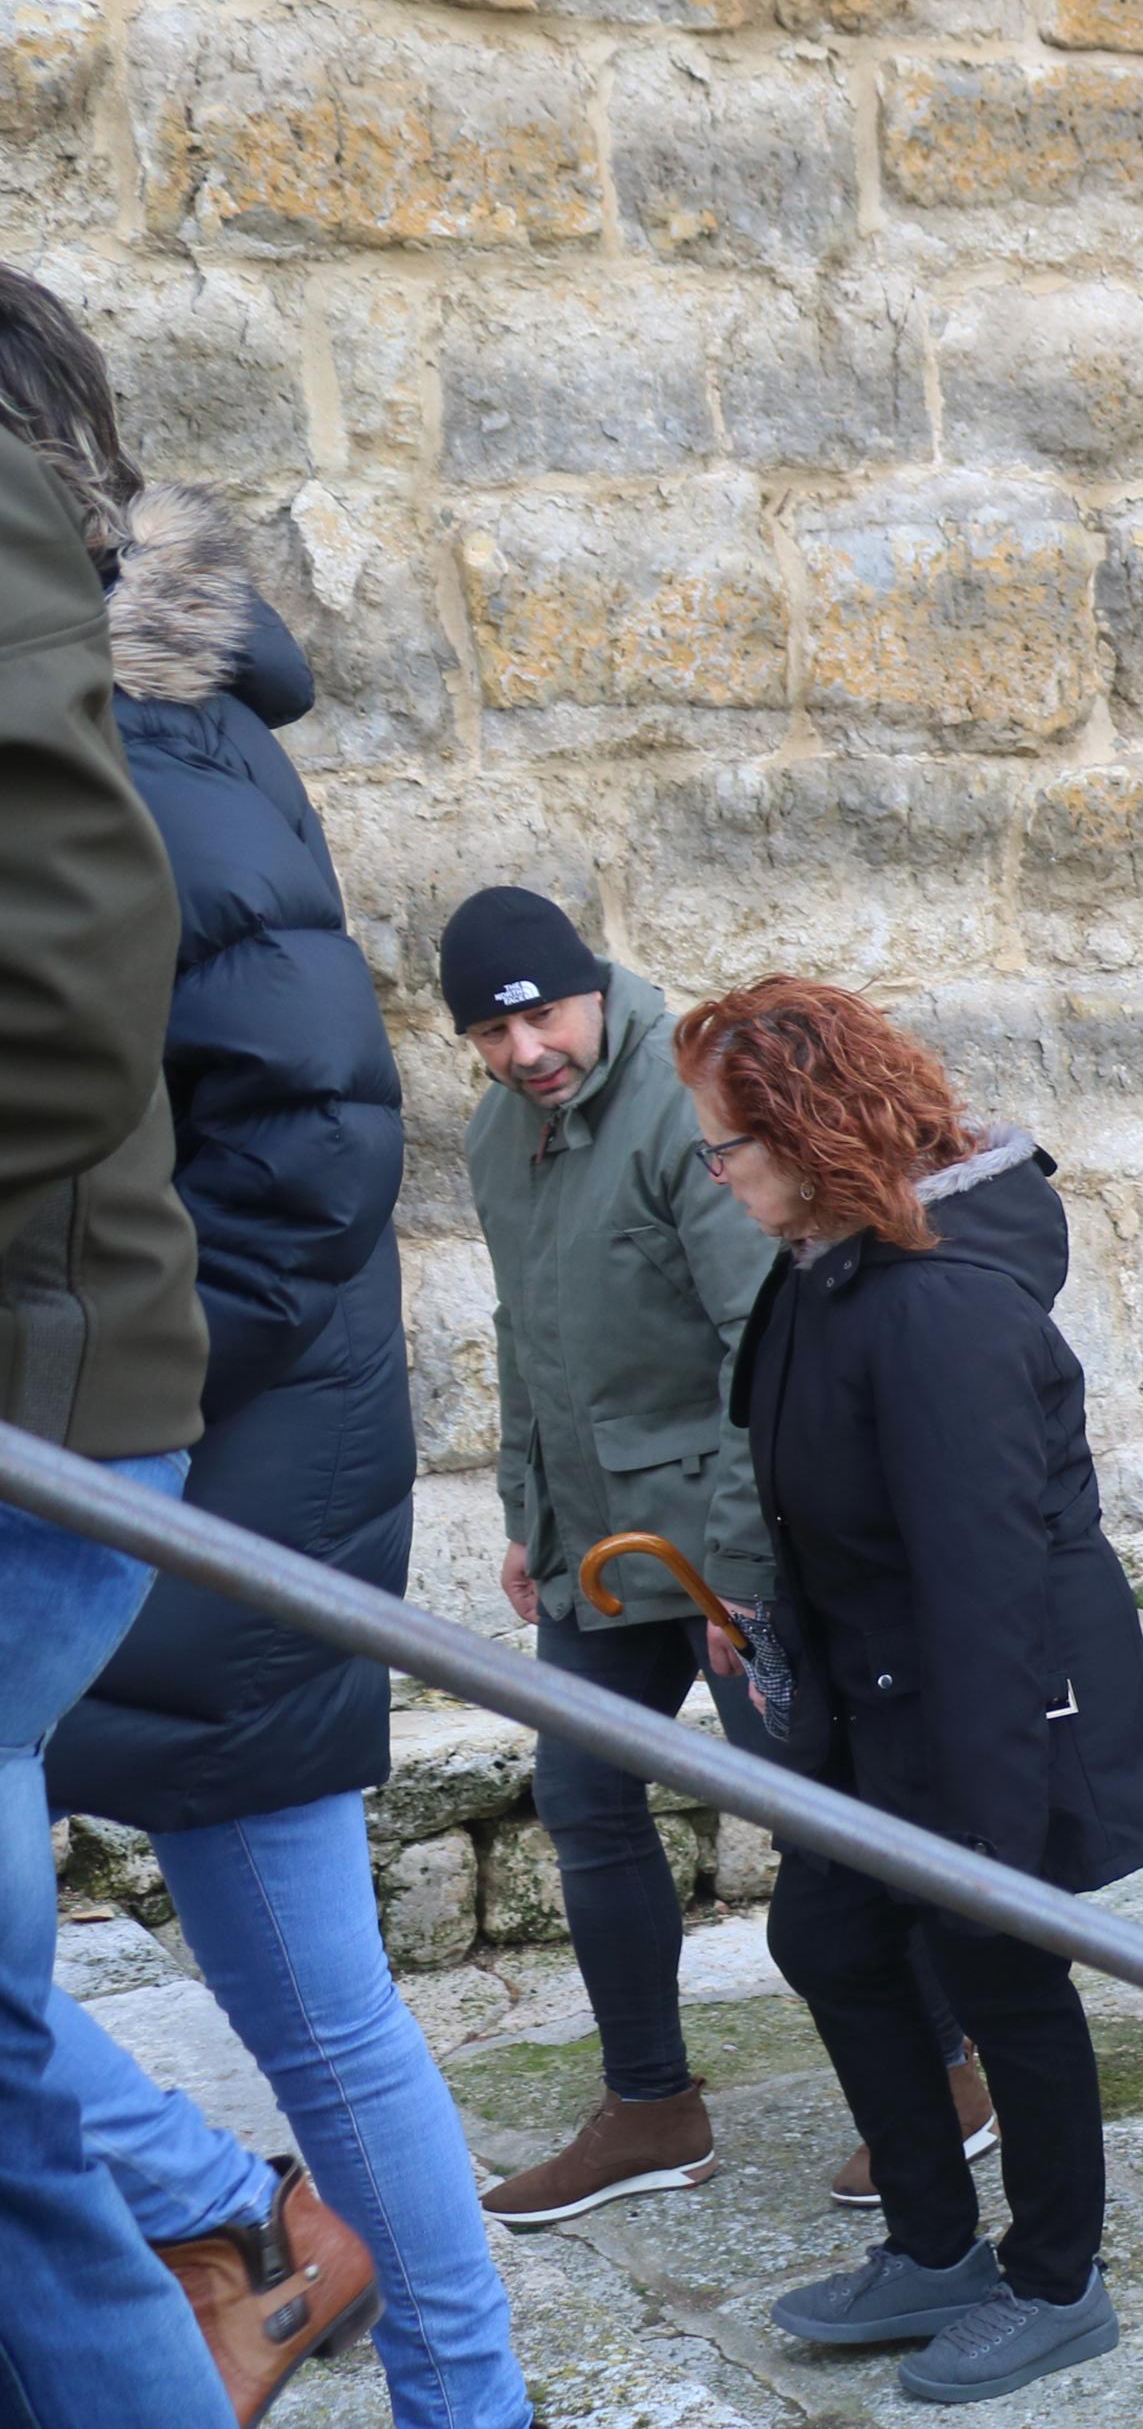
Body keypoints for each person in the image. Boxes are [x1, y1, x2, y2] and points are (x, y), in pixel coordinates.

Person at [4, 275, 519, 2429]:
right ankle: (241, 2228)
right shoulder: (135, 708)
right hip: (163, 1441)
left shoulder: (166, 745)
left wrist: (140, 1427)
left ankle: (444, 2380)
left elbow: (306, 1157)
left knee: (320, 2011)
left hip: (219, 1471)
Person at [447, 889, 983, 2224]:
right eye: (490, 1034)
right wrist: (527, 1505)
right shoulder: (493, 1134)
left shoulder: (686, 1106)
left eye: (544, 1018)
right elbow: (524, 1331)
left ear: (590, 990)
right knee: (581, 1793)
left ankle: (949, 2073)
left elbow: (768, 1346)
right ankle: (651, 2105)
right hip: (604, 1533)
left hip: (729, 1540)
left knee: (810, 1808)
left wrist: (748, 1572)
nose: (524, 1054)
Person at [678, 978, 1143, 2403]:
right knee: (831, 1937)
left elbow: (984, 1587)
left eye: (727, 1145)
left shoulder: (937, 1309)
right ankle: (934, 2241)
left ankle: (1057, 2277)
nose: (713, 1174)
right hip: (869, 1699)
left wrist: (995, 1831)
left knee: (1000, 1970)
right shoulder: (819, 1269)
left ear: (804, 1128)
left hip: (975, 1709)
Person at [0, 389, 241, 2429]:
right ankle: (245, 2221)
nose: (519, 1039)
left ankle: (266, 2233)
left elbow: (74, 1014)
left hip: (51, 1393)